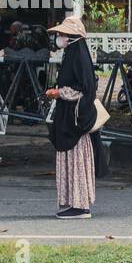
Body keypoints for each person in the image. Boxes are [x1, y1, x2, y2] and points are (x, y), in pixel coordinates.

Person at [45, 15, 98, 220]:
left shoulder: (78, 56)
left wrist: (58, 93)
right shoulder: (72, 54)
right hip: (68, 116)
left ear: (73, 37)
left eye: (63, 34)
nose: (59, 37)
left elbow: (85, 89)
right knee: (69, 158)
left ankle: (81, 205)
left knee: (76, 159)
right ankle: (72, 202)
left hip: (76, 117)